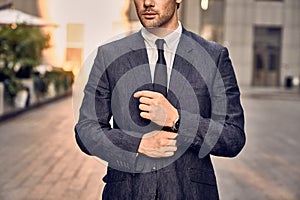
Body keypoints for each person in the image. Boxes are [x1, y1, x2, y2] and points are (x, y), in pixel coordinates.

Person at [75, 0, 246, 199]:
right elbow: (86, 130)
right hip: (127, 192)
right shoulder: (109, 55)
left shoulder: (214, 56)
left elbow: (233, 137)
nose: (147, 2)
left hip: (190, 193)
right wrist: (137, 144)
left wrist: (177, 120)